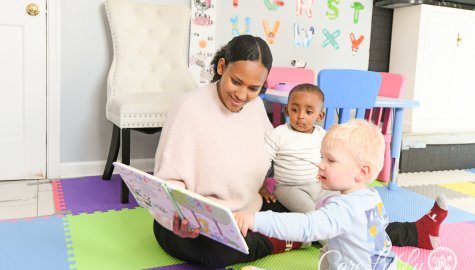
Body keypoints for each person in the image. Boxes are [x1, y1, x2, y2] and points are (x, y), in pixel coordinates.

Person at [153, 35, 448, 268]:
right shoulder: (188, 109)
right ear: (221, 68)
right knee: (216, 251)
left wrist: (263, 185)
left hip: (249, 210)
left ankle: (415, 232)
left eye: (254, 88)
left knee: (333, 215)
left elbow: (261, 155)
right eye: (236, 82)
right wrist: (180, 217)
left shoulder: (254, 107)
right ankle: (287, 241)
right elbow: (168, 184)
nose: (242, 95)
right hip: (198, 221)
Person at [235, 120, 447, 269]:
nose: (320, 164)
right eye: (322, 157)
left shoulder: (343, 209)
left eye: (331, 160)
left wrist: (256, 219)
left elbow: (306, 227)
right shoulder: (371, 196)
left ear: (361, 172)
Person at [260, 83, 331, 213]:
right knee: (310, 212)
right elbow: (262, 162)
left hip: (318, 185)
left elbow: (331, 159)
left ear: (319, 116)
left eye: (309, 112)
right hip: (289, 188)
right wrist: (261, 186)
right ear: (286, 110)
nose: (300, 116)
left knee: (342, 200)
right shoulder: (278, 134)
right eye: (294, 110)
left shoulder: (323, 135)